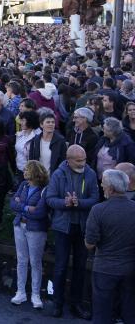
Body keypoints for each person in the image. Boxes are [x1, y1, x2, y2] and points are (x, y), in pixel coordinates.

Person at [45, 144, 98, 320]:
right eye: (79, 160)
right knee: (60, 267)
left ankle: (76, 303)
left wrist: (79, 203)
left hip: (83, 227)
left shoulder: (90, 173)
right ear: (68, 160)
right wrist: (64, 203)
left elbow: (95, 199)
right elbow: (50, 199)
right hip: (62, 227)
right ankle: (57, 303)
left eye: (84, 159)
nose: (83, 162)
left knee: (80, 267)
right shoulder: (58, 174)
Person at [84, 169, 135, 324]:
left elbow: (90, 244)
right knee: (130, 312)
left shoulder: (98, 210)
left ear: (111, 189)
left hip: (105, 269)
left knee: (101, 314)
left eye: (103, 184)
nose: (101, 186)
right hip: (130, 269)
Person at [9, 160, 50, 310]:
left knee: (35, 262)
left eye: (27, 170)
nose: (24, 172)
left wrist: (21, 206)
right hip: (19, 225)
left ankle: (35, 294)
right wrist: (27, 207)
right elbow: (12, 203)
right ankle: (20, 292)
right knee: (21, 260)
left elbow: (40, 212)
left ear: (35, 173)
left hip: (36, 230)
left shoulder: (44, 190)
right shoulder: (23, 185)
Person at [67, 107, 99, 171]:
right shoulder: (72, 132)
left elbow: (91, 158)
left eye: (76, 117)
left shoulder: (93, 137)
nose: (73, 120)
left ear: (84, 119)